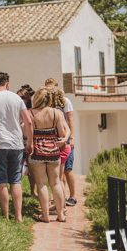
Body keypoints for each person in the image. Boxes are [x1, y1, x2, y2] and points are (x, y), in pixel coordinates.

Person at [0, 72, 33, 222]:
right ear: (7, 83)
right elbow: (28, 121)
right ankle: (19, 216)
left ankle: (5, 216)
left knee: (1, 181)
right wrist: (30, 142)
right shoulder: (16, 98)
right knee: (15, 181)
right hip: (16, 144)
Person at [29, 87, 70, 223]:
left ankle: (45, 216)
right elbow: (62, 134)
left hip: (37, 153)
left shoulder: (31, 113)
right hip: (54, 152)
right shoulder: (56, 113)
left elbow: (27, 133)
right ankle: (61, 215)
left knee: (41, 184)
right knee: (56, 183)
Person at [45, 78, 77, 206]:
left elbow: (70, 119)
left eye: (51, 87)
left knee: (67, 169)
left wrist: (72, 137)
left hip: (66, 139)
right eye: (47, 87)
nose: (50, 90)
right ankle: (59, 198)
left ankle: (73, 196)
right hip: (54, 140)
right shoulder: (47, 102)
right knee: (58, 171)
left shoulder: (65, 101)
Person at [17, 84, 36, 196]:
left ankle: (33, 191)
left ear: (27, 99)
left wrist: (30, 142)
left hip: (28, 142)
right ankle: (14, 190)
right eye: (18, 97)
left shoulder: (30, 111)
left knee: (31, 170)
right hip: (17, 142)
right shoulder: (15, 111)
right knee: (16, 168)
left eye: (22, 97)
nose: (19, 100)